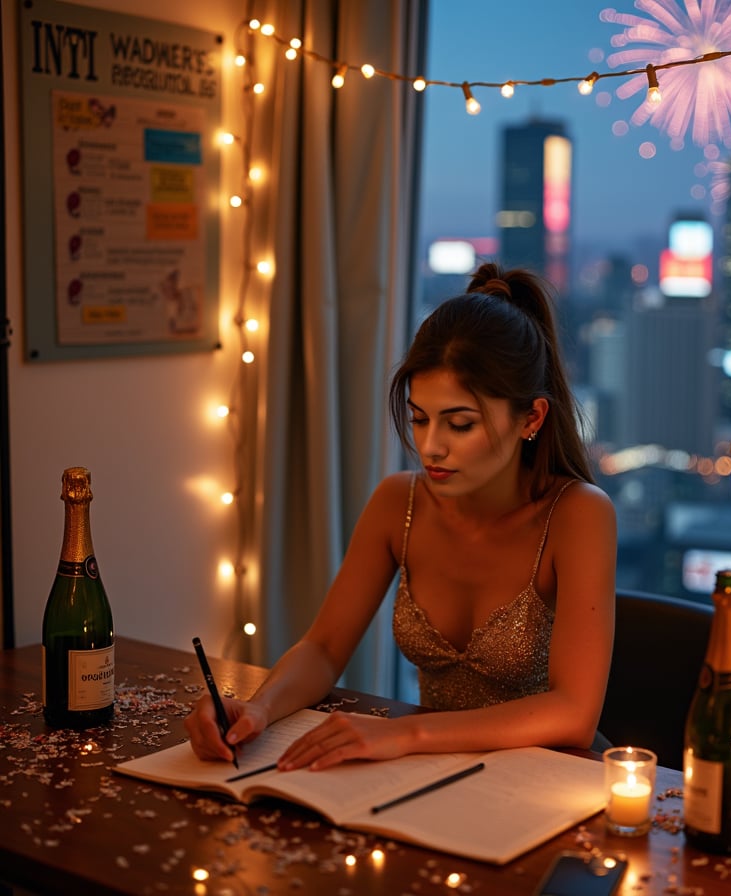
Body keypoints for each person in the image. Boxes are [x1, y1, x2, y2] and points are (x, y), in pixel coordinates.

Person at [185, 262, 617, 771]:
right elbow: (324, 648)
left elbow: (574, 713)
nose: (430, 447)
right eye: (419, 418)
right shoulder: (399, 504)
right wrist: (258, 708)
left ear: (532, 418)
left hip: (546, 779)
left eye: (460, 424)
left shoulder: (578, 515)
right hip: (431, 773)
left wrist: (405, 732)